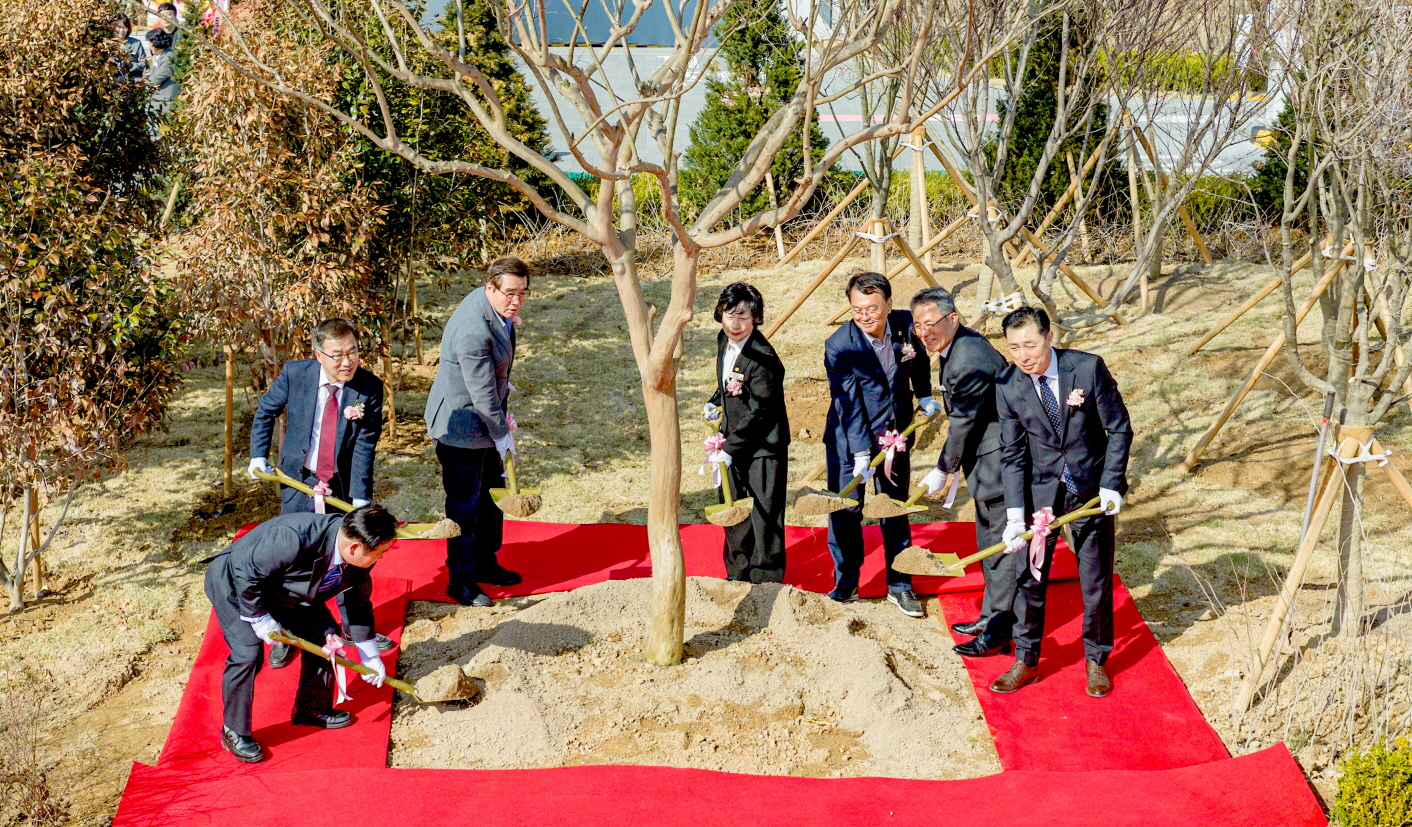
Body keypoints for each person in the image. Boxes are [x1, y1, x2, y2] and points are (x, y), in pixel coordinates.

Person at [990, 306, 1132, 698]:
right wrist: (1016, 515)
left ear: (1049, 336)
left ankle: (1096, 659)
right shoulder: (1007, 384)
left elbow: (1118, 428)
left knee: (1095, 578)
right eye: (1014, 347)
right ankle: (1026, 657)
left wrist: (1111, 484)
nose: (1023, 355)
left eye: (1030, 345)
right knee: (1030, 577)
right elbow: (1013, 453)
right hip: (1041, 494)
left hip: (1090, 490)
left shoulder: (1086, 369)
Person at [203, 506, 398, 763]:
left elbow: (357, 603)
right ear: (354, 548)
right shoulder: (293, 537)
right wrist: (260, 618)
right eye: (379, 554)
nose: (380, 559)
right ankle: (234, 731)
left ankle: (311, 710)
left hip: (287, 588)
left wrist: (370, 655)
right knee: (248, 653)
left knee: (326, 636)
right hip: (236, 584)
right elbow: (246, 574)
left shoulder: (359, 553)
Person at [248, 318, 388, 668]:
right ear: (318, 354)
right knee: (291, 559)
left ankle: (354, 629)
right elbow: (266, 412)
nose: (347, 362)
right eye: (338, 354)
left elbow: (365, 445)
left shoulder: (369, 387)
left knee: (352, 557)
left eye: (353, 352)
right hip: (300, 479)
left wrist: (359, 495)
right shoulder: (297, 375)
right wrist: (258, 456)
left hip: (340, 482)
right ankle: (287, 629)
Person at [823, 272, 940, 617]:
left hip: (896, 432)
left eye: (872, 308)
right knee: (845, 511)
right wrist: (860, 451)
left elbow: (917, 360)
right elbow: (847, 402)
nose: (865, 316)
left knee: (894, 507)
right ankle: (846, 584)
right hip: (849, 438)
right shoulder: (840, 345)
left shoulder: (905, 324)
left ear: (889, 304)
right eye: (857, 309)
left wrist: (925, 394)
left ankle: (900, 585)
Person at [909, 287, 1013, 657]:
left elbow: (964, 423)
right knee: (988, 540)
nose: (924, 332)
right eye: (918, 325)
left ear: (953, 318)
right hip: (986, 457)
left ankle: (1000, 632)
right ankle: (991, 616)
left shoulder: (968, 356)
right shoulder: (956, 345)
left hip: (1000, 459)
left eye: (930, 323)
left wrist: (941, 470)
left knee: (1002, 545)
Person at [424, 258, 529, 607]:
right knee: (464, 507)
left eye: (522, 294)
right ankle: (462, 580)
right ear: (490, 288)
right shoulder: (473, 329)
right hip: (461, 428)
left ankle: (486, 562)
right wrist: (502, 434)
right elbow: (481, 393)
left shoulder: (493, 307)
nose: (515, 302)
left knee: (490, 498)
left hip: (484, 421)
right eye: (509, 293)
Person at [702, 283, 790, 584]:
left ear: (756, 319)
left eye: (744, 316)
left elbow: (762, 411)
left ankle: (766, 577)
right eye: (730, 315)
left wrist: (729, 449)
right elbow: (728, 381)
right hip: (734, 439)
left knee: (764, 513)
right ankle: (737, 573)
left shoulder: (763, 358)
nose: (735, 324)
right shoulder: (723, 340)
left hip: (764, 446)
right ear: (720, 315)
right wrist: (715, 402)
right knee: (733, 508)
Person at [143, 28, 180, 123]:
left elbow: (156, 78)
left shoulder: (169, 56)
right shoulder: (156, 56)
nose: (149, 47)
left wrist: (145, 82)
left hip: (167, 100)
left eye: (150, 43)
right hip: (157, 98)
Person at [111, 14, 148, 82]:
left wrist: (130, 65)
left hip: (133, 79)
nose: (122, 31)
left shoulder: (136, 43)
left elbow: (144, 64)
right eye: (119, 27)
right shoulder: (107, 43)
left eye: (125, 27)